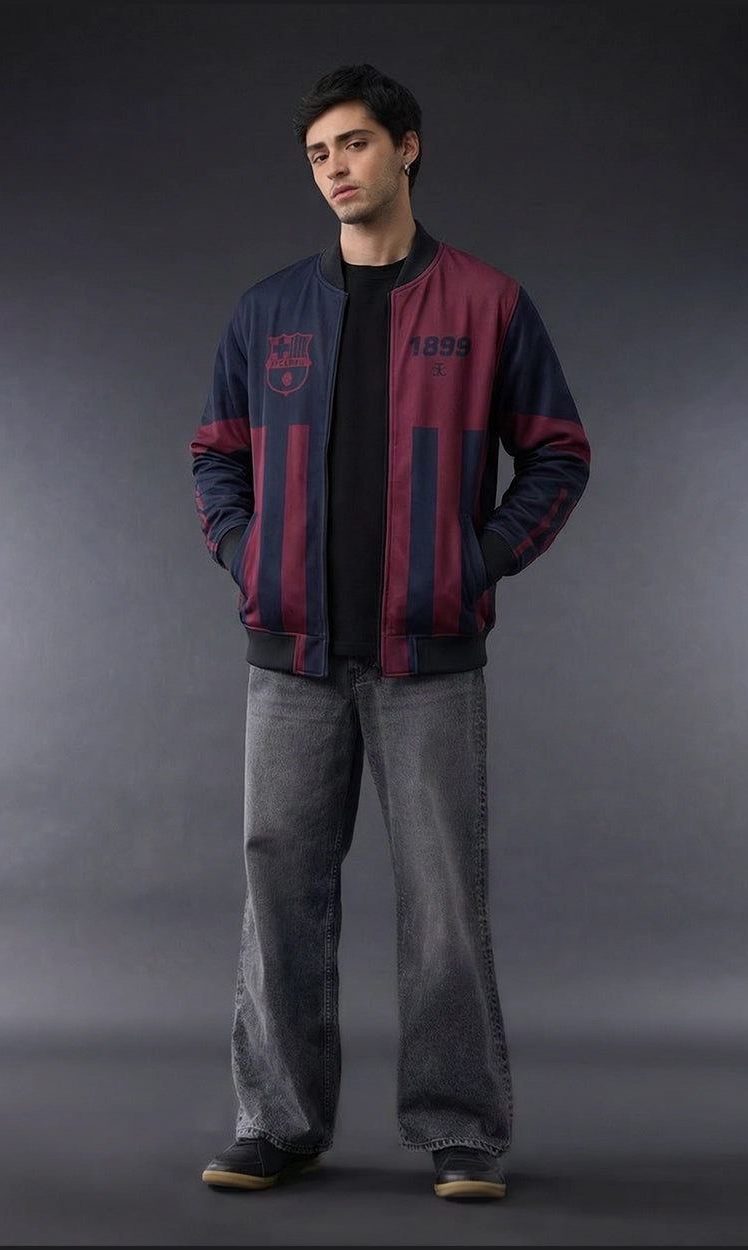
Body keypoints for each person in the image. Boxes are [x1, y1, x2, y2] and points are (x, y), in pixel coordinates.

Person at [191, 62, 590, 1201]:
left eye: (355, 144)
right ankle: (278, 1121)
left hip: (428, 656)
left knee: (442, 899)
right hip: (294, 657)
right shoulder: (268, 310)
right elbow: (216, 454)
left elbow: (557, 451)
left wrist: (478, 559)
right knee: (280, 890)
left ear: (406, 147)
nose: (336, 169)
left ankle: (461, 1128)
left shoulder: (486, 303)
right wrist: (247, 556)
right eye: (318, 154)